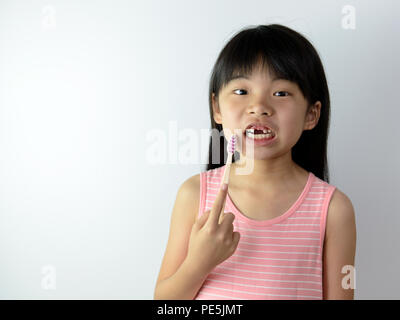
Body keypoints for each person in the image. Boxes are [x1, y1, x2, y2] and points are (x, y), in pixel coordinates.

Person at [154, 24, 356, 300]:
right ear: (217, 108)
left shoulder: (333, 209)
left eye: (281, 93)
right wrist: (198, 263)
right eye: (241, 91)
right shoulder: (193, 195)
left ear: (311, 114)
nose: (259, 106)